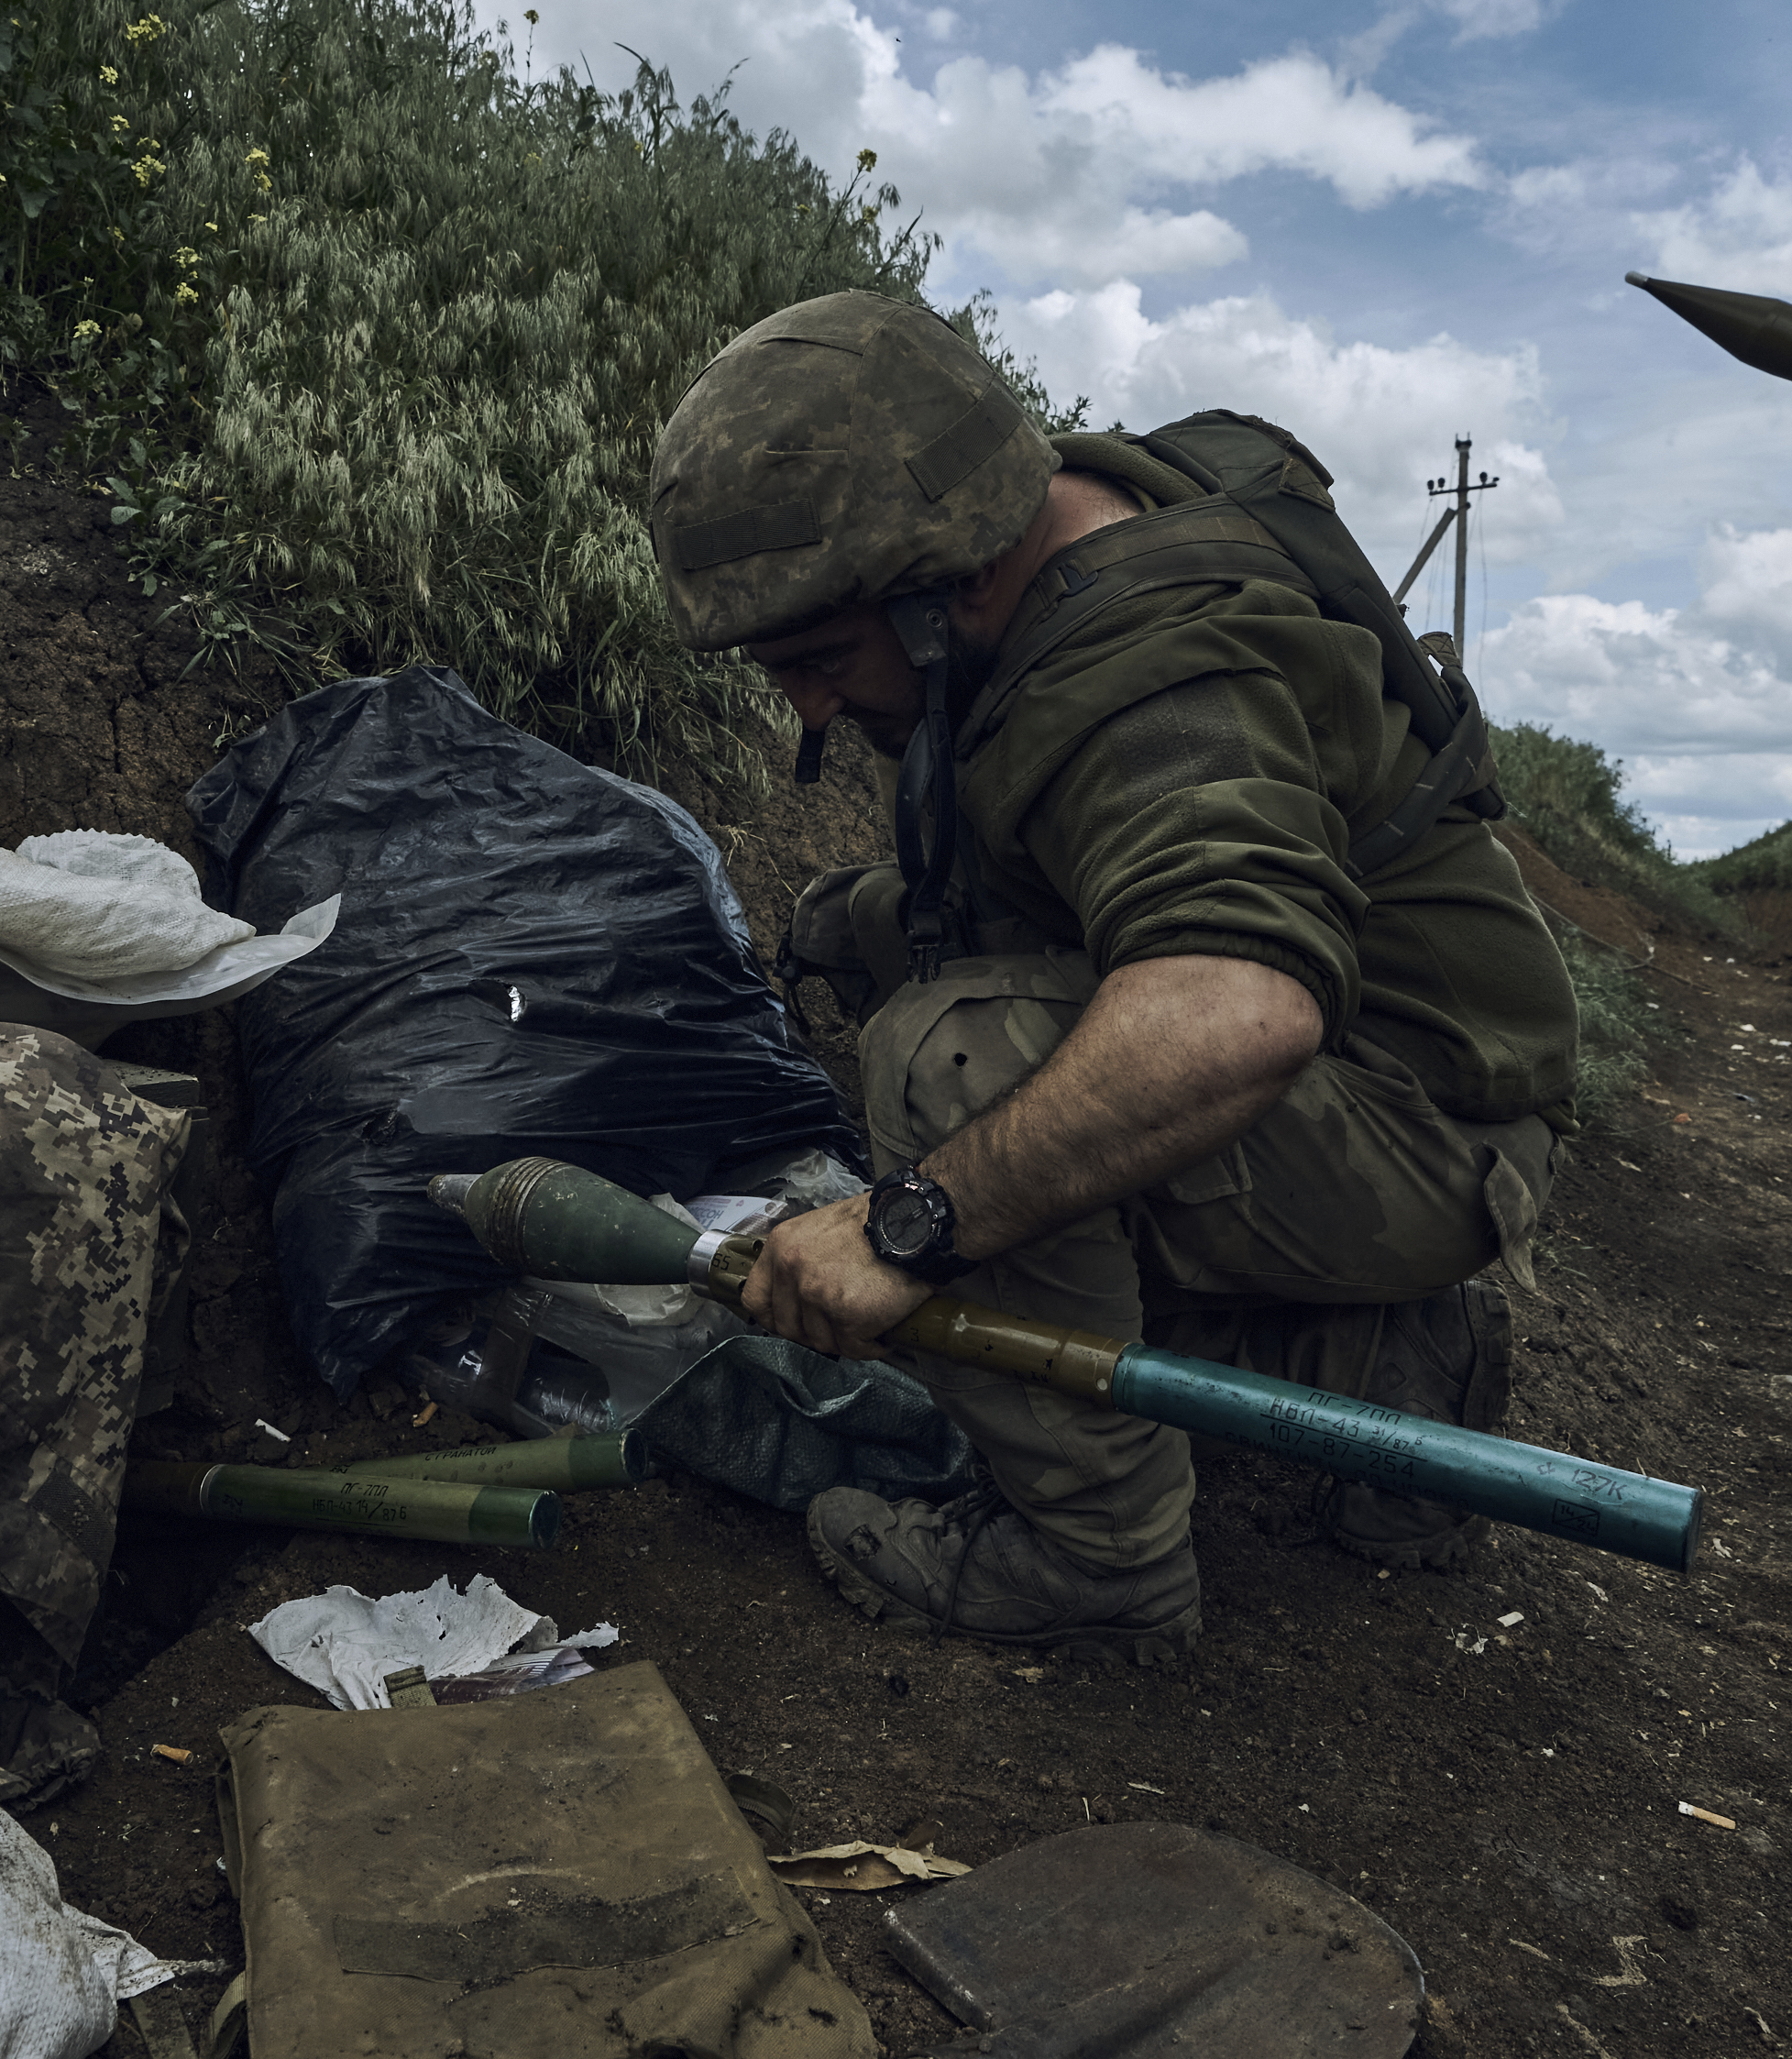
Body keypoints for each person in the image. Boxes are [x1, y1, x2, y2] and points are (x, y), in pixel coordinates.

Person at [642, 292, 1579, 1659]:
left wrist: (909, 1226)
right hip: (1405, 1057)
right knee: (890, 943)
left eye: (823, 660)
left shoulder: (1151, 680)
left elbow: (1234, 1009)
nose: (812, 710)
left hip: (1424, 1123)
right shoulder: (1069, 501)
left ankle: (1098, 1559)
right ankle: (1381, 1365)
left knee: (950, 1067)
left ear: (955, 580)